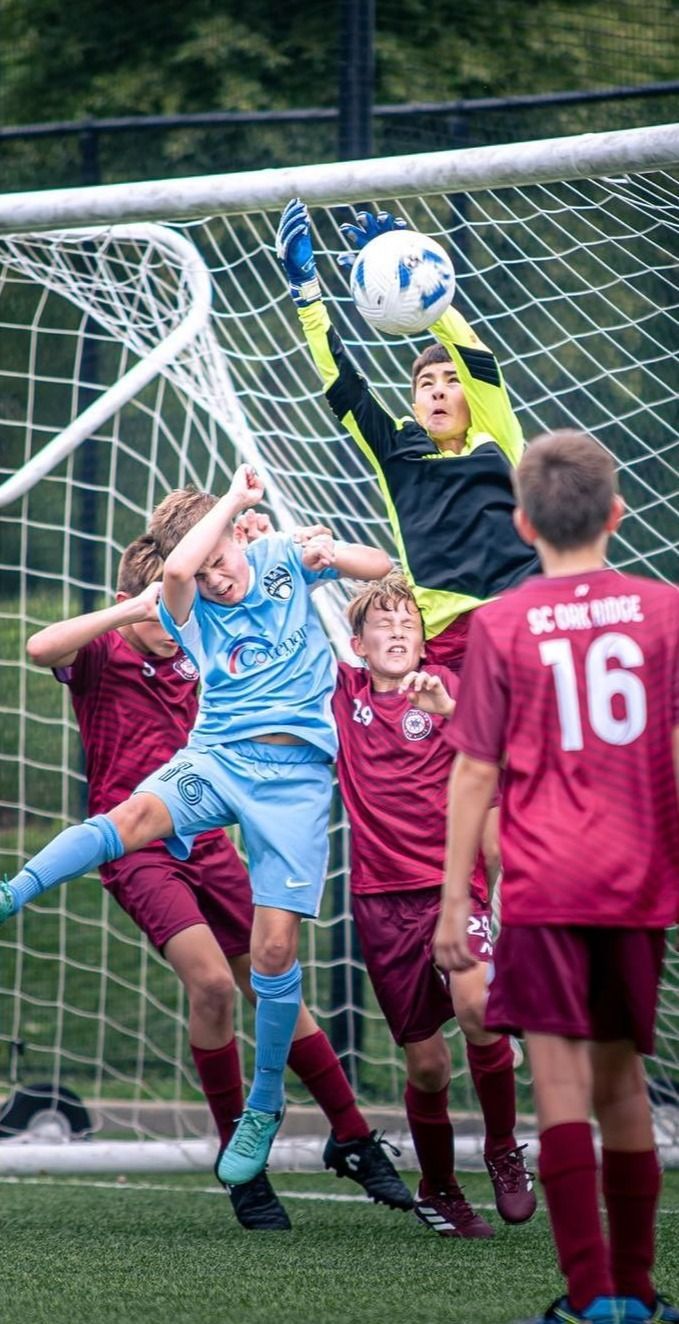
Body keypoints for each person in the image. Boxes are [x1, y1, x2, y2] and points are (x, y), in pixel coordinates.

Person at [1, 465, 401, 1201]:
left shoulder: (210, 638)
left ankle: (347, 1132)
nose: (198, 598)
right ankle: (240, 1162)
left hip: (240, 819)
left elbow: (363, 570)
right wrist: (135, 607)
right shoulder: (119, 646)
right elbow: (44, 646)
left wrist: (302, 543)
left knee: (274, 971)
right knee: (213, 983)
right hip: (155, 842)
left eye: (221, 567)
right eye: (175, 598)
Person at [433, 430, 679, 1323]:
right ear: (617, 514)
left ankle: (587, 1299)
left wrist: (456, 897)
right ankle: (639, 1294)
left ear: (521, 523)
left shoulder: (499, 623)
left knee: (563, 1094)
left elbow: (472, 772)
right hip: (635, 884)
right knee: (623, 1091)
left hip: (542, 888)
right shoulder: (666, 612)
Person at [333, 569, 535, 1239]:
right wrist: (318, 555)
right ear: (356, 645)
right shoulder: (341, 695)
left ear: (425, 641)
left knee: (478, 1007)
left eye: (407, 624)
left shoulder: (453, 692)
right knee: (425, 1064)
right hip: (378, 901)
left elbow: (502, 766)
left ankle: (503, 1151)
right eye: (381, 626)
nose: (396, 631)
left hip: (453, 891)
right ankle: (440, 1185)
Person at [275, 198, 540, 676]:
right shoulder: (397, 452)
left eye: (449, 381)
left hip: (524, 617)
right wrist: (307, 297)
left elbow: (474, 356)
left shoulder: (496, 438)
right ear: (414, 403)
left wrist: (421, 286)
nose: (438, 391)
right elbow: (344, 387)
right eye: (426, 384)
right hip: (447, 643)